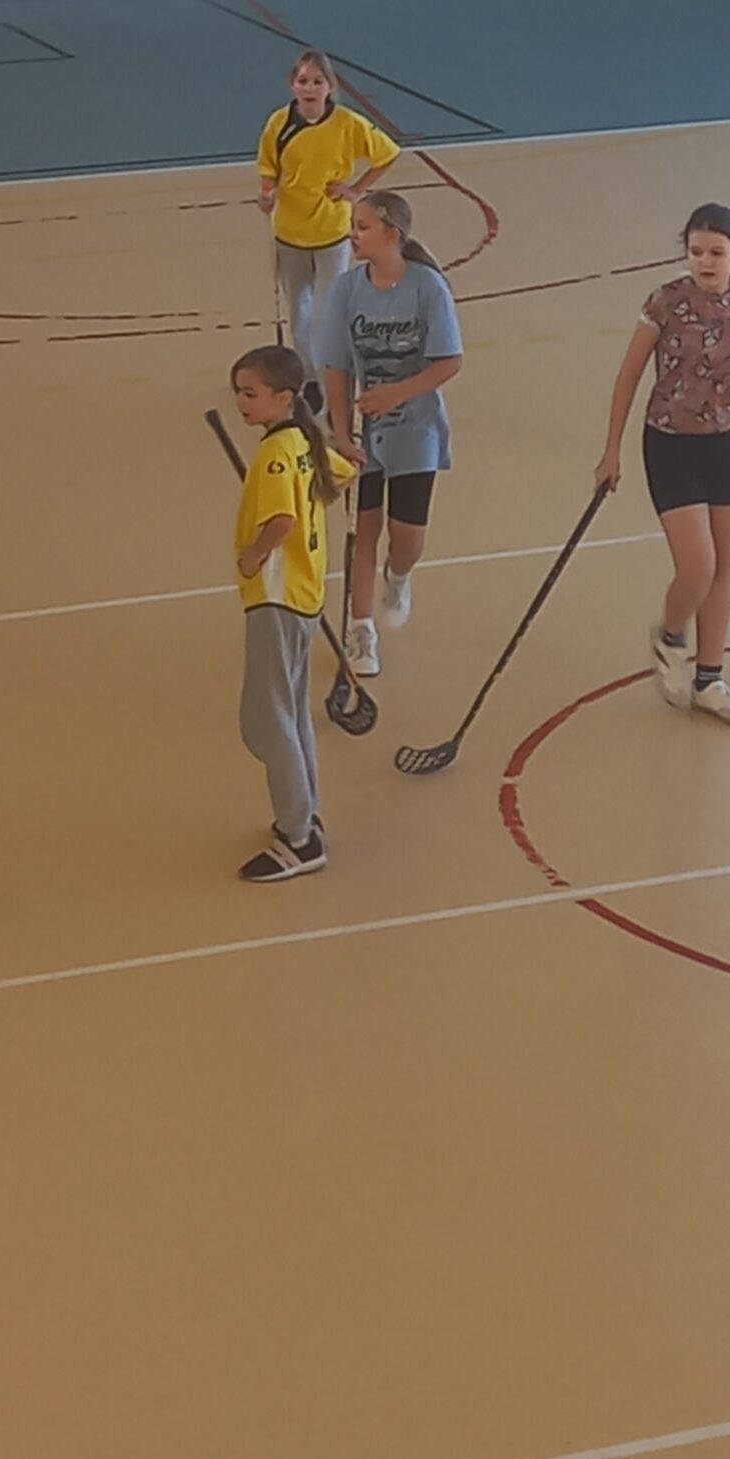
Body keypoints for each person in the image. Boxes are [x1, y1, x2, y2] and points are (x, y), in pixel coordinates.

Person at [595, 203, 730, 729]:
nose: (705, 261)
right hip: (672, 444)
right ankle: (672, 634)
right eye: (696, 251)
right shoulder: (665, 303)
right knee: (697, 566)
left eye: (716, 253)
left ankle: (710, 680)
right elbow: (629, 376)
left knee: (723, 564)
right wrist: (611, 451)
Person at [321, 190, 464, 680]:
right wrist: (341, 434)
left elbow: (449, 361)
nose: (352, 235)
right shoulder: (345, 290)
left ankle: (397, 575)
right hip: (365, 430)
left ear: (391, 233)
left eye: (361, 226)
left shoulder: (428, 288)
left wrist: (395, 394)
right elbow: (336, 367)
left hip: (416, 429)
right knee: (364, 531)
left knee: (407, 538)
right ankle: (360, 628)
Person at [230, 345, 356, 882]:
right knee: (291, 711)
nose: (241, 402)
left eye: (250, 393)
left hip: (276, 597)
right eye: (238, 392)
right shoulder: (305, 440)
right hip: (304, 596)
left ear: (284, 398)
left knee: (264, 721)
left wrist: (253, 556)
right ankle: (303, 813)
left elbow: (280, 520)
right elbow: (343, 475)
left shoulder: (275, 453)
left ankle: (299, 838)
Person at [255, 50, 400, 376]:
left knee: (328, 312)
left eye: (318, 81)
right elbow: (268, 168)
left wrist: (356, 189)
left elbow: (387, 154)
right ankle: (308, 375)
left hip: (332, 234)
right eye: (303, 81)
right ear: (292, 85)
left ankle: (331, 373)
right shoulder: (278, 123)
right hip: (290, 234)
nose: (310, 88)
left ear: (330, 87)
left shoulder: (348, 124)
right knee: (299, 314)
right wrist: (267, 194)